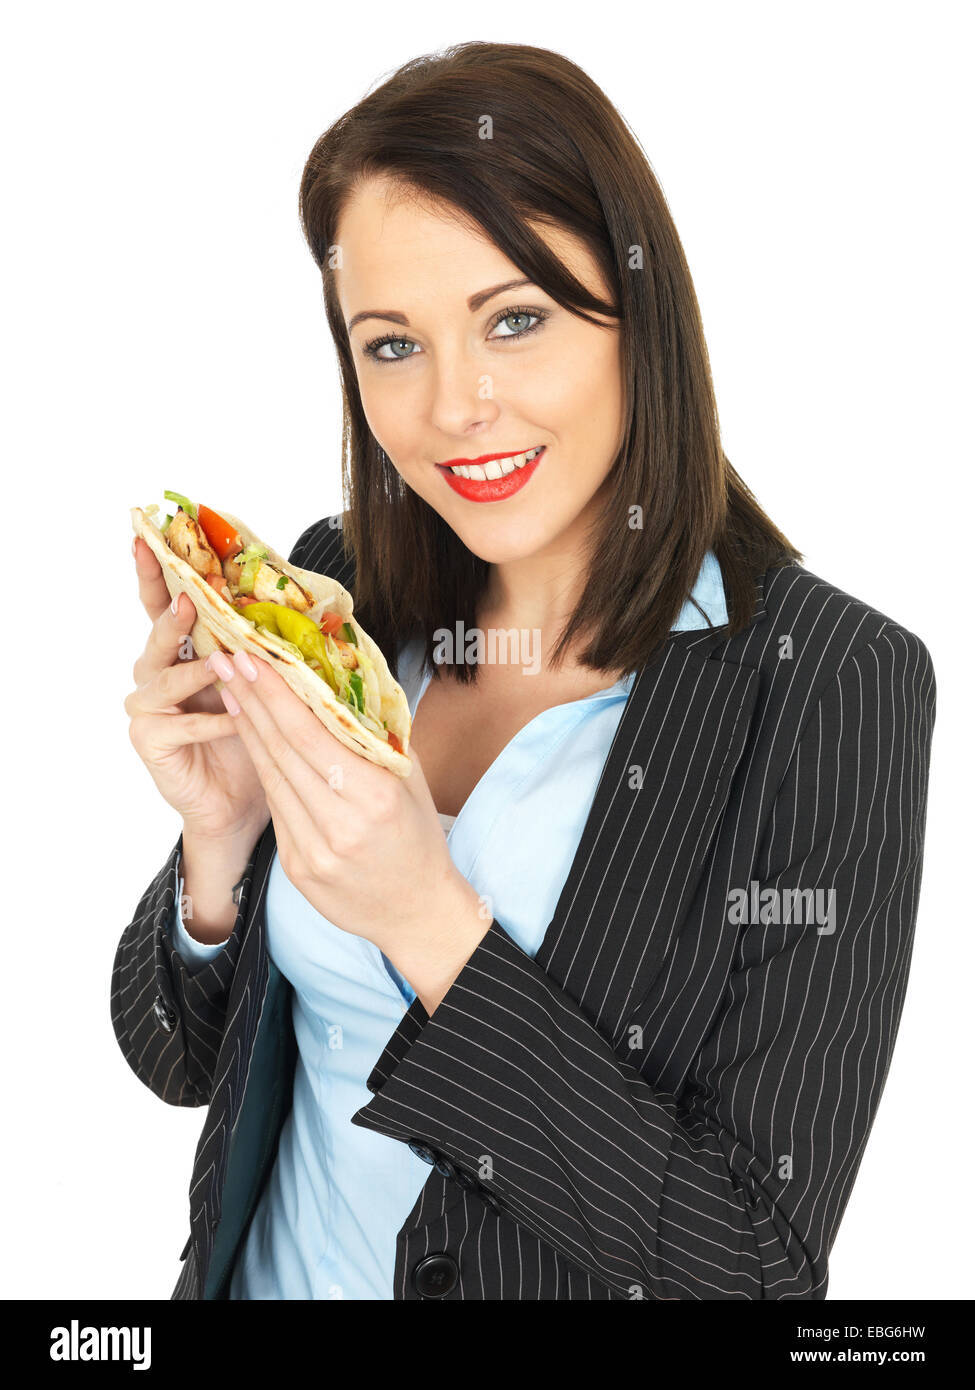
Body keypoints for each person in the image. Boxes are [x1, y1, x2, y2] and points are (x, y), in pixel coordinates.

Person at [112, 41, 936, 1300]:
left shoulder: (830, 685)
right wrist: (218, 855)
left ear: (635, 315)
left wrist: (425, 920)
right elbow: (182, 1058)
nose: (458, 407)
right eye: (393, 345)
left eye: (515, 319)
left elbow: (754, 1268)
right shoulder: (337, 600)